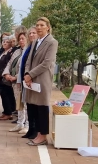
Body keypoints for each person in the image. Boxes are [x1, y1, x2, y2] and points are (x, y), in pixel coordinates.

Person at [24, 17, 58, 146]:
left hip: (42, 78)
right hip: (31, 79)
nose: (38, 27)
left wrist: (30, 74)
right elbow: (29, 61)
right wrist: (27, 74)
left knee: (42, 107)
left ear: (48, 27)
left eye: (41, 25)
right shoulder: (35, 42)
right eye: (37, 25)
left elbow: (47, 63)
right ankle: (38, 133)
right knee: (33, 106)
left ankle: (43, 135)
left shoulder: (52, 42)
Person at [4, 30, 28, 133]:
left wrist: (16, 77)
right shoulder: (17, 51)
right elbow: (9, 63)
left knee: (25, 104)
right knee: (18, 103)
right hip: (14, 82)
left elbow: (26, 67)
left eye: (23, 39)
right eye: (20, 39)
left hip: (23, 81)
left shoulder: (28, 51)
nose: (21, 41)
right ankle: (19, 123)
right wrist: (6, 74)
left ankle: (27, 125)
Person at [20, 27, 38, 138]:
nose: (31, 35)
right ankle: (31, 130)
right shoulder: (29, 47)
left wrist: (30, 75)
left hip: (33, 79)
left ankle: (35, 130)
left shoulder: (37, 46)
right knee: (29, 106)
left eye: (34, 33)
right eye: (30, 33)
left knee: (34, 106)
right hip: (25, 79)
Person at [0, 36, 17, 120]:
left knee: (7, 95)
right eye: (3, 42)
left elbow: (6, 65)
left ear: (10, 43)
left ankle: (9, 113)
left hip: (5, 77)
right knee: (3, 94)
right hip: (0, 76)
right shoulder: (3, 52)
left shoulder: (10, 53)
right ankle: (5, 112)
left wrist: (0, 74)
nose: (4, 43)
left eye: (7, 42)